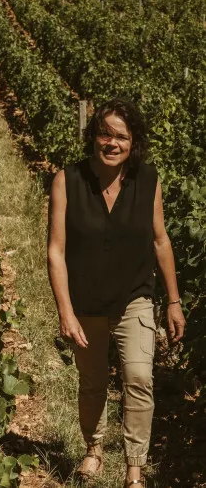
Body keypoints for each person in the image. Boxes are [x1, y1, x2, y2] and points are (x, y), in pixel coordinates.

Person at [47, 98, 185, 487]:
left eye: (120, 137)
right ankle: (93, 449)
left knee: (138, 377)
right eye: (104, 134)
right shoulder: (67, 180)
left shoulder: (148, 180)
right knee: (92, 381)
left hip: (134, 295)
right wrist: (66, 311)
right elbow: (56, 252)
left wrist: (173, 302)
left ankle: (134, 469)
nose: (111, 143)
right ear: (93, 137)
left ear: (133, 142)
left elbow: (160, 241)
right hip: (85, 300)